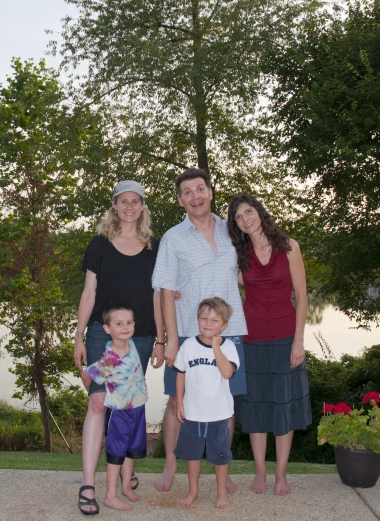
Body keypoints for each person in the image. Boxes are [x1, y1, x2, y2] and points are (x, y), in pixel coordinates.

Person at [152, 167, 247, 494]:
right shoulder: (173, 238)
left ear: (210, 192)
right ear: (181, 201)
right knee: (176, 399)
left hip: (228, 331)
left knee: (227, 400)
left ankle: (223, 467)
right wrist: (169, 339)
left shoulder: (232, 230)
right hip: (188, 334)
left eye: (200, 189)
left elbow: (244, 272)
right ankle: (170, 464)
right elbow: (165, 289)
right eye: (187, 192)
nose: (195, 196)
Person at [74, 180, 165, 515]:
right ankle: (88, 484)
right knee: (98, 405)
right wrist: (79, 336)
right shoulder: (98, 244)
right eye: (123, 201)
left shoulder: (154, 247)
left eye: (135, 201)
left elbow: (158, 296)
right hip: (101, 335)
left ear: (143, 206)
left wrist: (160, 339)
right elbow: (89, 293)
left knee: (128, 408)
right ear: (114, 205)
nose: (129, 206)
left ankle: (124, 475)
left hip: (141, 338)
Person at [227, 194, 312, 496]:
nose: (244, 218)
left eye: (248, 211)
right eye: (238, 216)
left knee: (283, 408)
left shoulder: (289, 247)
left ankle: (281, 474)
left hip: (285, 338)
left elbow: (302, 297)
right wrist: (178, 293)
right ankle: (260, 470)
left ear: (259, 212)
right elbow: (218, 280)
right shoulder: (240, 254)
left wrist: (298, 342)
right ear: (235, 224)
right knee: (256, 408)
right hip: (250, 340)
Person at [80, 305, 148, 513]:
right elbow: (91, 377)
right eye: (119, 324)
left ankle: (126, 485)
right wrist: (85, 376)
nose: (125, 327)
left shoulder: (132, 343)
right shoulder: (110, 356)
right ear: (107, 329)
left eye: (129, 323)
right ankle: (110, 495)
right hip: (119, 412)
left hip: (137, 407)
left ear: (134, 325)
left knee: (130, 450)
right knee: (117, 453)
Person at [174, 297, 240, 509]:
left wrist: (215, 347)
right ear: (197, 320)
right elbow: (180, 374)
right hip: (192, 413)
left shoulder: (228, 347)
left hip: (218, 414)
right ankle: (193, 491)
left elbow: (227, 372)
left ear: (224, 325)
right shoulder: (188, 345)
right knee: (192, 457)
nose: (208, 323)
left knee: (220, 458)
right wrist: (180, 402)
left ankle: (221, 493)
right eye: (204, 318)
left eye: (214, 320)